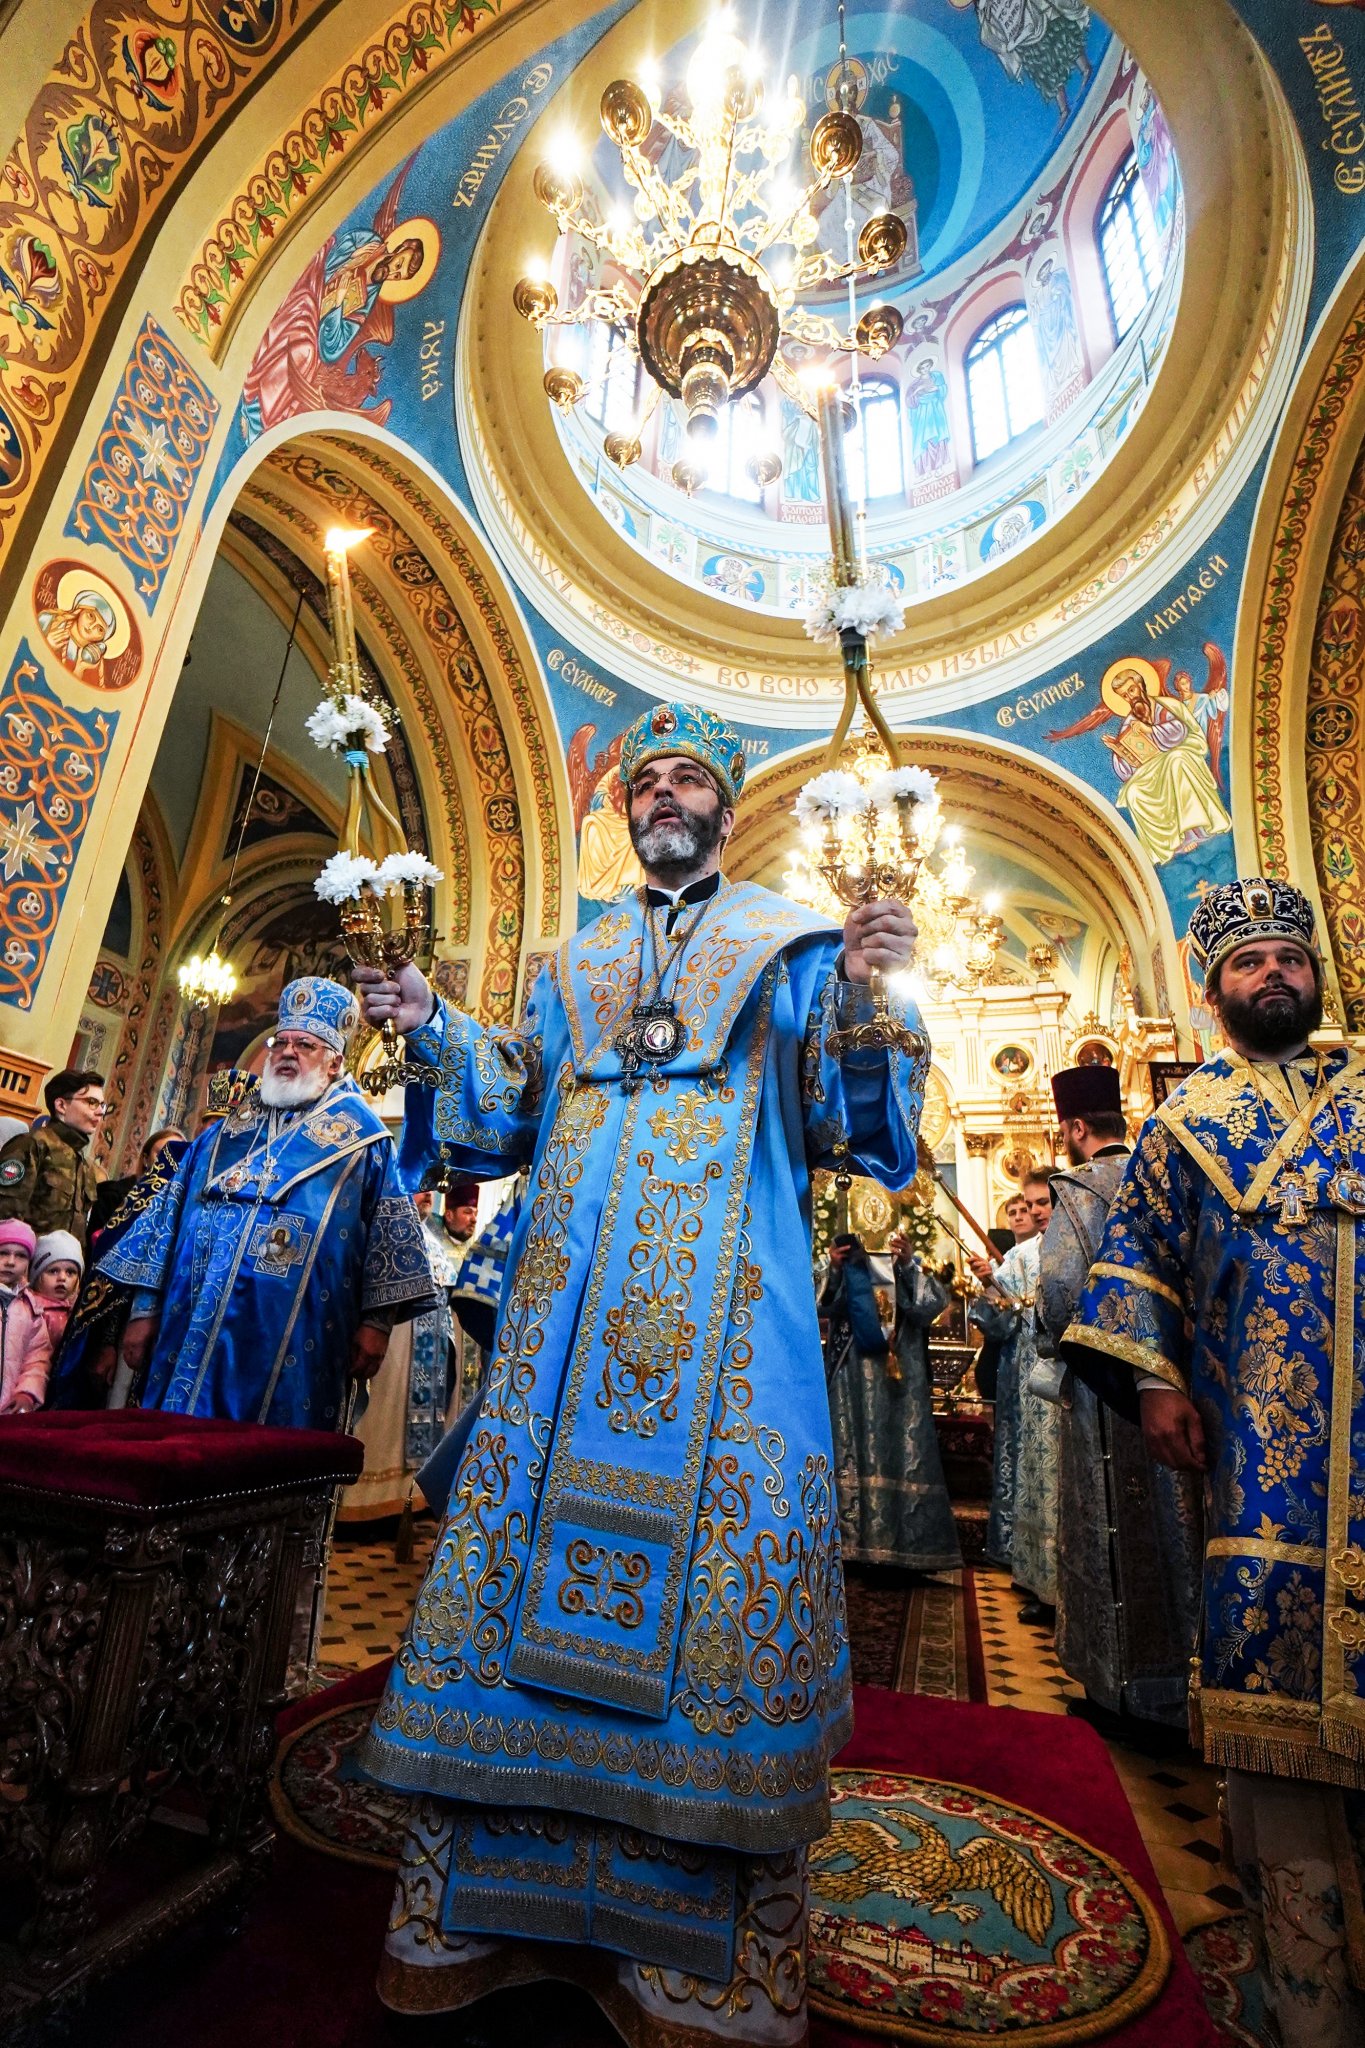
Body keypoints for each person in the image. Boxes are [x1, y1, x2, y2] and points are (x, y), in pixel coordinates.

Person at [352, 700, 926, 2042]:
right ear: (627, 813)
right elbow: (500, 1117)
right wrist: (432, 1022)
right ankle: (490, 1915)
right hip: (562, 1339)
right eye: (645, 780)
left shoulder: (787, 942)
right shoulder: (578, 961)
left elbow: (849, 1124)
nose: (663, 794)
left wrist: (863, 987)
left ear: (725, 808)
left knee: (721, 1586)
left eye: (687, 779)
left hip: (734, 1341)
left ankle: (701, 1966)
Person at [1063, 879, 1365, 2047]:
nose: (1275, 975)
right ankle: (1309, 1988)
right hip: (1264, 1465)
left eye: (1291, 957)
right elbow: (1134, 1260)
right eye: (1251, 964)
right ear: (1215, 990)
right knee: (1273, 1710)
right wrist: (1153, 1377)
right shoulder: (1182, 1128)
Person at [100, 979, 436, 1428]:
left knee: (268, 1452)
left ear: (335, 1062)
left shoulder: (365, 1140)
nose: (288, 1052)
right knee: (173, 1448)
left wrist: (376, 1325)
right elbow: (166, 1224)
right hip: (188, 1325)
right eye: (283, 1042)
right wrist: (144, 1310)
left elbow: (390, 1242)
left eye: (307, 1044)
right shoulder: (220, 1136)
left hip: (299, 1335)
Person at [1037, 1065, 1201, 1740]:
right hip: (1183, 1382)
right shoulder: (1169, 1170)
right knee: (1183, 1530)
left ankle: (1128, 1692)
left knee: (1117, 1533)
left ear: (1074, 1128)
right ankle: (1195, 1691)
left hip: (1108, 1394)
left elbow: (1057, 1293)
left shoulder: (1078, 1193)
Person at [823, 1231, 959, 1573]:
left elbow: (931, 1306)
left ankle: (904, 1546)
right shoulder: (844, 1263)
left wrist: (909, 1265)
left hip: (901, 1377)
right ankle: (850, 1545)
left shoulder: (907, 1267)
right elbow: (820, 1303)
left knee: (900, 1449)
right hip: (850, 1372)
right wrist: (835, 1269)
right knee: (849, 1448)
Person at [340, 1185, 458, 1521]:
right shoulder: (376, 1231)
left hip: (419, 1364)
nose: (428, 1198)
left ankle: (399, 1502)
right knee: (375, 1422)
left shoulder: (433, 1244)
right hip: (386, 1355)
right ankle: (357, 1505)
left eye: (432, 1192)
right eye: (421, 1190)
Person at [970, 1192, 1038, 1577]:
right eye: (1012, 1211)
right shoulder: (1013, 1260)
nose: (1020, 1216)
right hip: (1015, 1371)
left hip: (1051, 1370)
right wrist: (992, 1286)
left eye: (1025, 1209)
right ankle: (1011, 1544)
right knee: (1014, 1453)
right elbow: (997, 1323)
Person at [1009, 1169, 1059, 1624]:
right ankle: (1043, 1585)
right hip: (1035, 1384)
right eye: (1031, 1203)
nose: (1037, 1211)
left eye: (1043, 1202)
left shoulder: (1074, 1243)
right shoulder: (1024, 1253)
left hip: (1070, 1384)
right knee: (1039, 1483)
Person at [0, 1068, 107, 1247]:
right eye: (91, 1102)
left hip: (63, 1271)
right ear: (61, 1105)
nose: (100, 1112)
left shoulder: (84, 1163)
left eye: (102, 1105)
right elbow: (6, 1218)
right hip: (26, 1265)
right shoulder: (31, 1145)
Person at [0, 1220, 51, 1416]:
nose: (11, 1262)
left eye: (21, 1255)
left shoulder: (31, 1309)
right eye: (3, 1253)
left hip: (9, 1413)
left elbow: (37, 1358)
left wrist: (27, 1393)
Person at [30, 1231, 83, 1355]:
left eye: (70, 1272)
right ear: (36, 1276)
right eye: (53, 1271)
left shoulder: (79, 1311)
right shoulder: (31, 1311)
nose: (62, 1278)